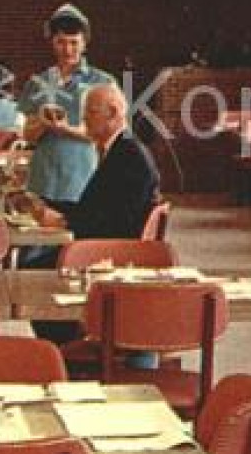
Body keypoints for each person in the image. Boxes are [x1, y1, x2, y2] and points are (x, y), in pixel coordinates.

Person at [28, 83, 160, 344]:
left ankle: (69, 347)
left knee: (34, 272)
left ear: (112, 113)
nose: (84, 118)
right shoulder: (118, 149)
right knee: (34, 263)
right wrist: (45, 202)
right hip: (105, 240)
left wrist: (64, 220)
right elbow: (95, 207)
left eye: (91, 111)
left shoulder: (130, 155)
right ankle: (70, 343)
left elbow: (118, 223)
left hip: (114, 253)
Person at [19, 4, 115, 209]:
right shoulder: (38, 82)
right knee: (40, 237)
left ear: (85, 44)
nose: (68, 49)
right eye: (61, 42)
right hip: (43, 177)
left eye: (74, 42)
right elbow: (27, 134)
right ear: (52, 43)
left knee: (78, 236)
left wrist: (66, 129)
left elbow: (108, 133)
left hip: (81, 177)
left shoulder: (102, 82)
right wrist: (43, 124)